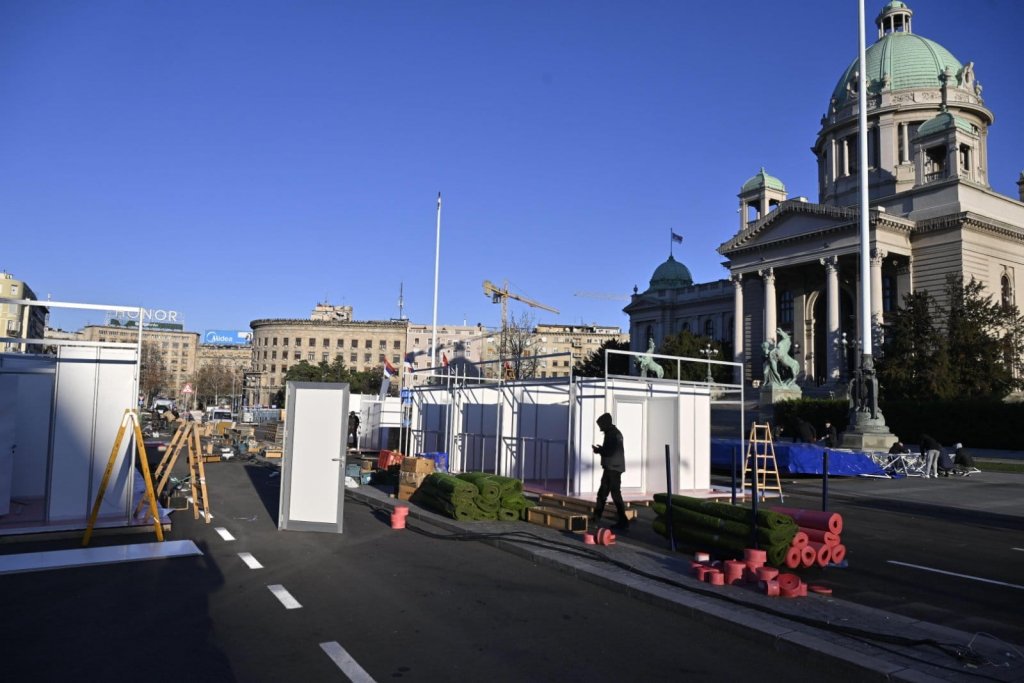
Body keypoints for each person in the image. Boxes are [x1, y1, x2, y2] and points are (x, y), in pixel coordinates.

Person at [592, 412, 628, 530]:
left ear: (606, 424)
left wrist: (599, 451)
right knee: (603, 494)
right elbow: (610, 450)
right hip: (611, 468)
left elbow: (610, 452)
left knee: (613, 495)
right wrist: (601, 449)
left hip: (613, 468)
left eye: (601, 425)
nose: (600, 428)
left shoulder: (613, 434)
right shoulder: (613, 433)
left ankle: (623, 521)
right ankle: (596, 518)